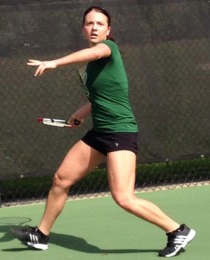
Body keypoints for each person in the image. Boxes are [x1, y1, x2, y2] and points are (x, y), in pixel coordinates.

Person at [11, 6, 196, 257]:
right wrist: (82, 112)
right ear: (83, 28)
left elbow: (96, 52)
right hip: (99, 133)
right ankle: (41, 234)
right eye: (89, 23)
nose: (94, 27)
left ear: (108, 30)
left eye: (100, 24)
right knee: (61, 179)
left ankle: (177, 230)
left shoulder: (109, 49)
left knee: (123, 197)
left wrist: (54, 62)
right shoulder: (88, 68)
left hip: (121, 132)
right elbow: (105, 95)